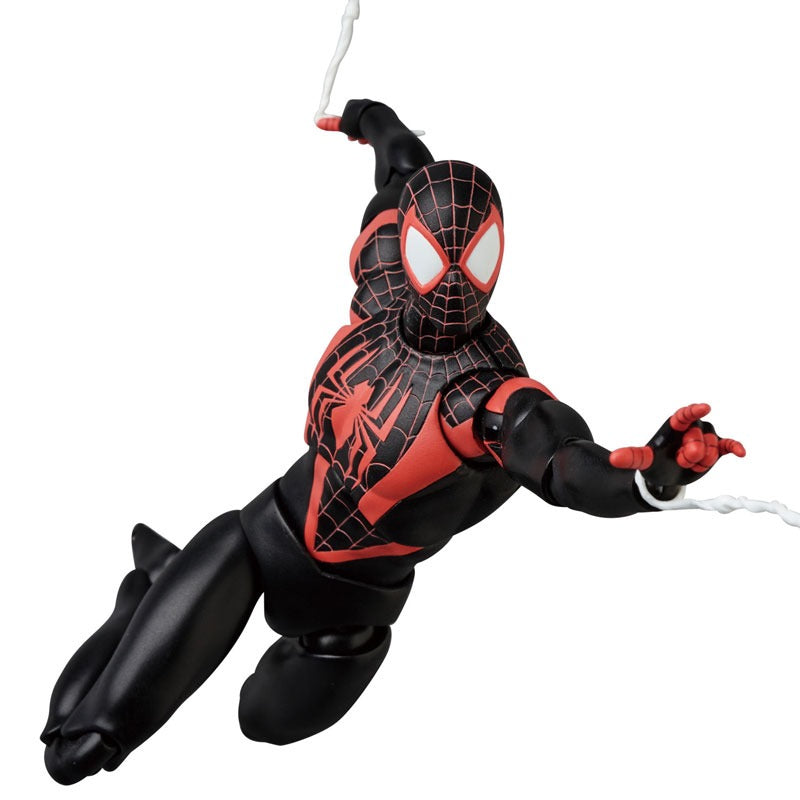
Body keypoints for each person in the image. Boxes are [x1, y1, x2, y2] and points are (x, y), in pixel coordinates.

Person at [42, 100, 744, 784]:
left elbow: (563, 464)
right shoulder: (382, 286)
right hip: (267, 532)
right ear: (411, 248)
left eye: (477, 257)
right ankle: (146, 596)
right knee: (78, 741)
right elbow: (405, 172)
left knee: (264, 719)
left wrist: (650, 476)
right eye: (436, 255)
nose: (455, 279)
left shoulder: (485, 395)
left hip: (353, 609)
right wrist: (370, 119)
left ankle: (160, 585)